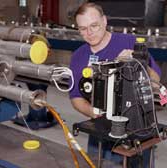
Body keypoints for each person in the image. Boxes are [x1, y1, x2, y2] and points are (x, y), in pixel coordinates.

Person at [69, 2, 161, 168]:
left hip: (136, 132)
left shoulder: (130, 43)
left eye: (94, 26)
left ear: (104, 21)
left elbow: (155, 84)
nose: (89, 33)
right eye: (83, 28)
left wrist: (139, 63)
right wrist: (96, 113)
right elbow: (76, 97)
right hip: (100, 132)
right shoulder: (78, 56)